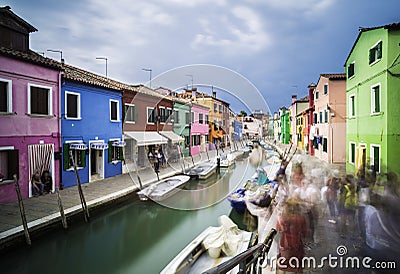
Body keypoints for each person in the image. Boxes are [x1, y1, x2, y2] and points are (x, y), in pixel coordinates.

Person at [277, 198, 307, 273]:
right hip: (297, 243)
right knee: (298, 264)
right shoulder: (301, 218)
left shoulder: (282, 218)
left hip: (285, 242)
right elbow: (304, 233)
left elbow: (279, 229)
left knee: (283, 264)